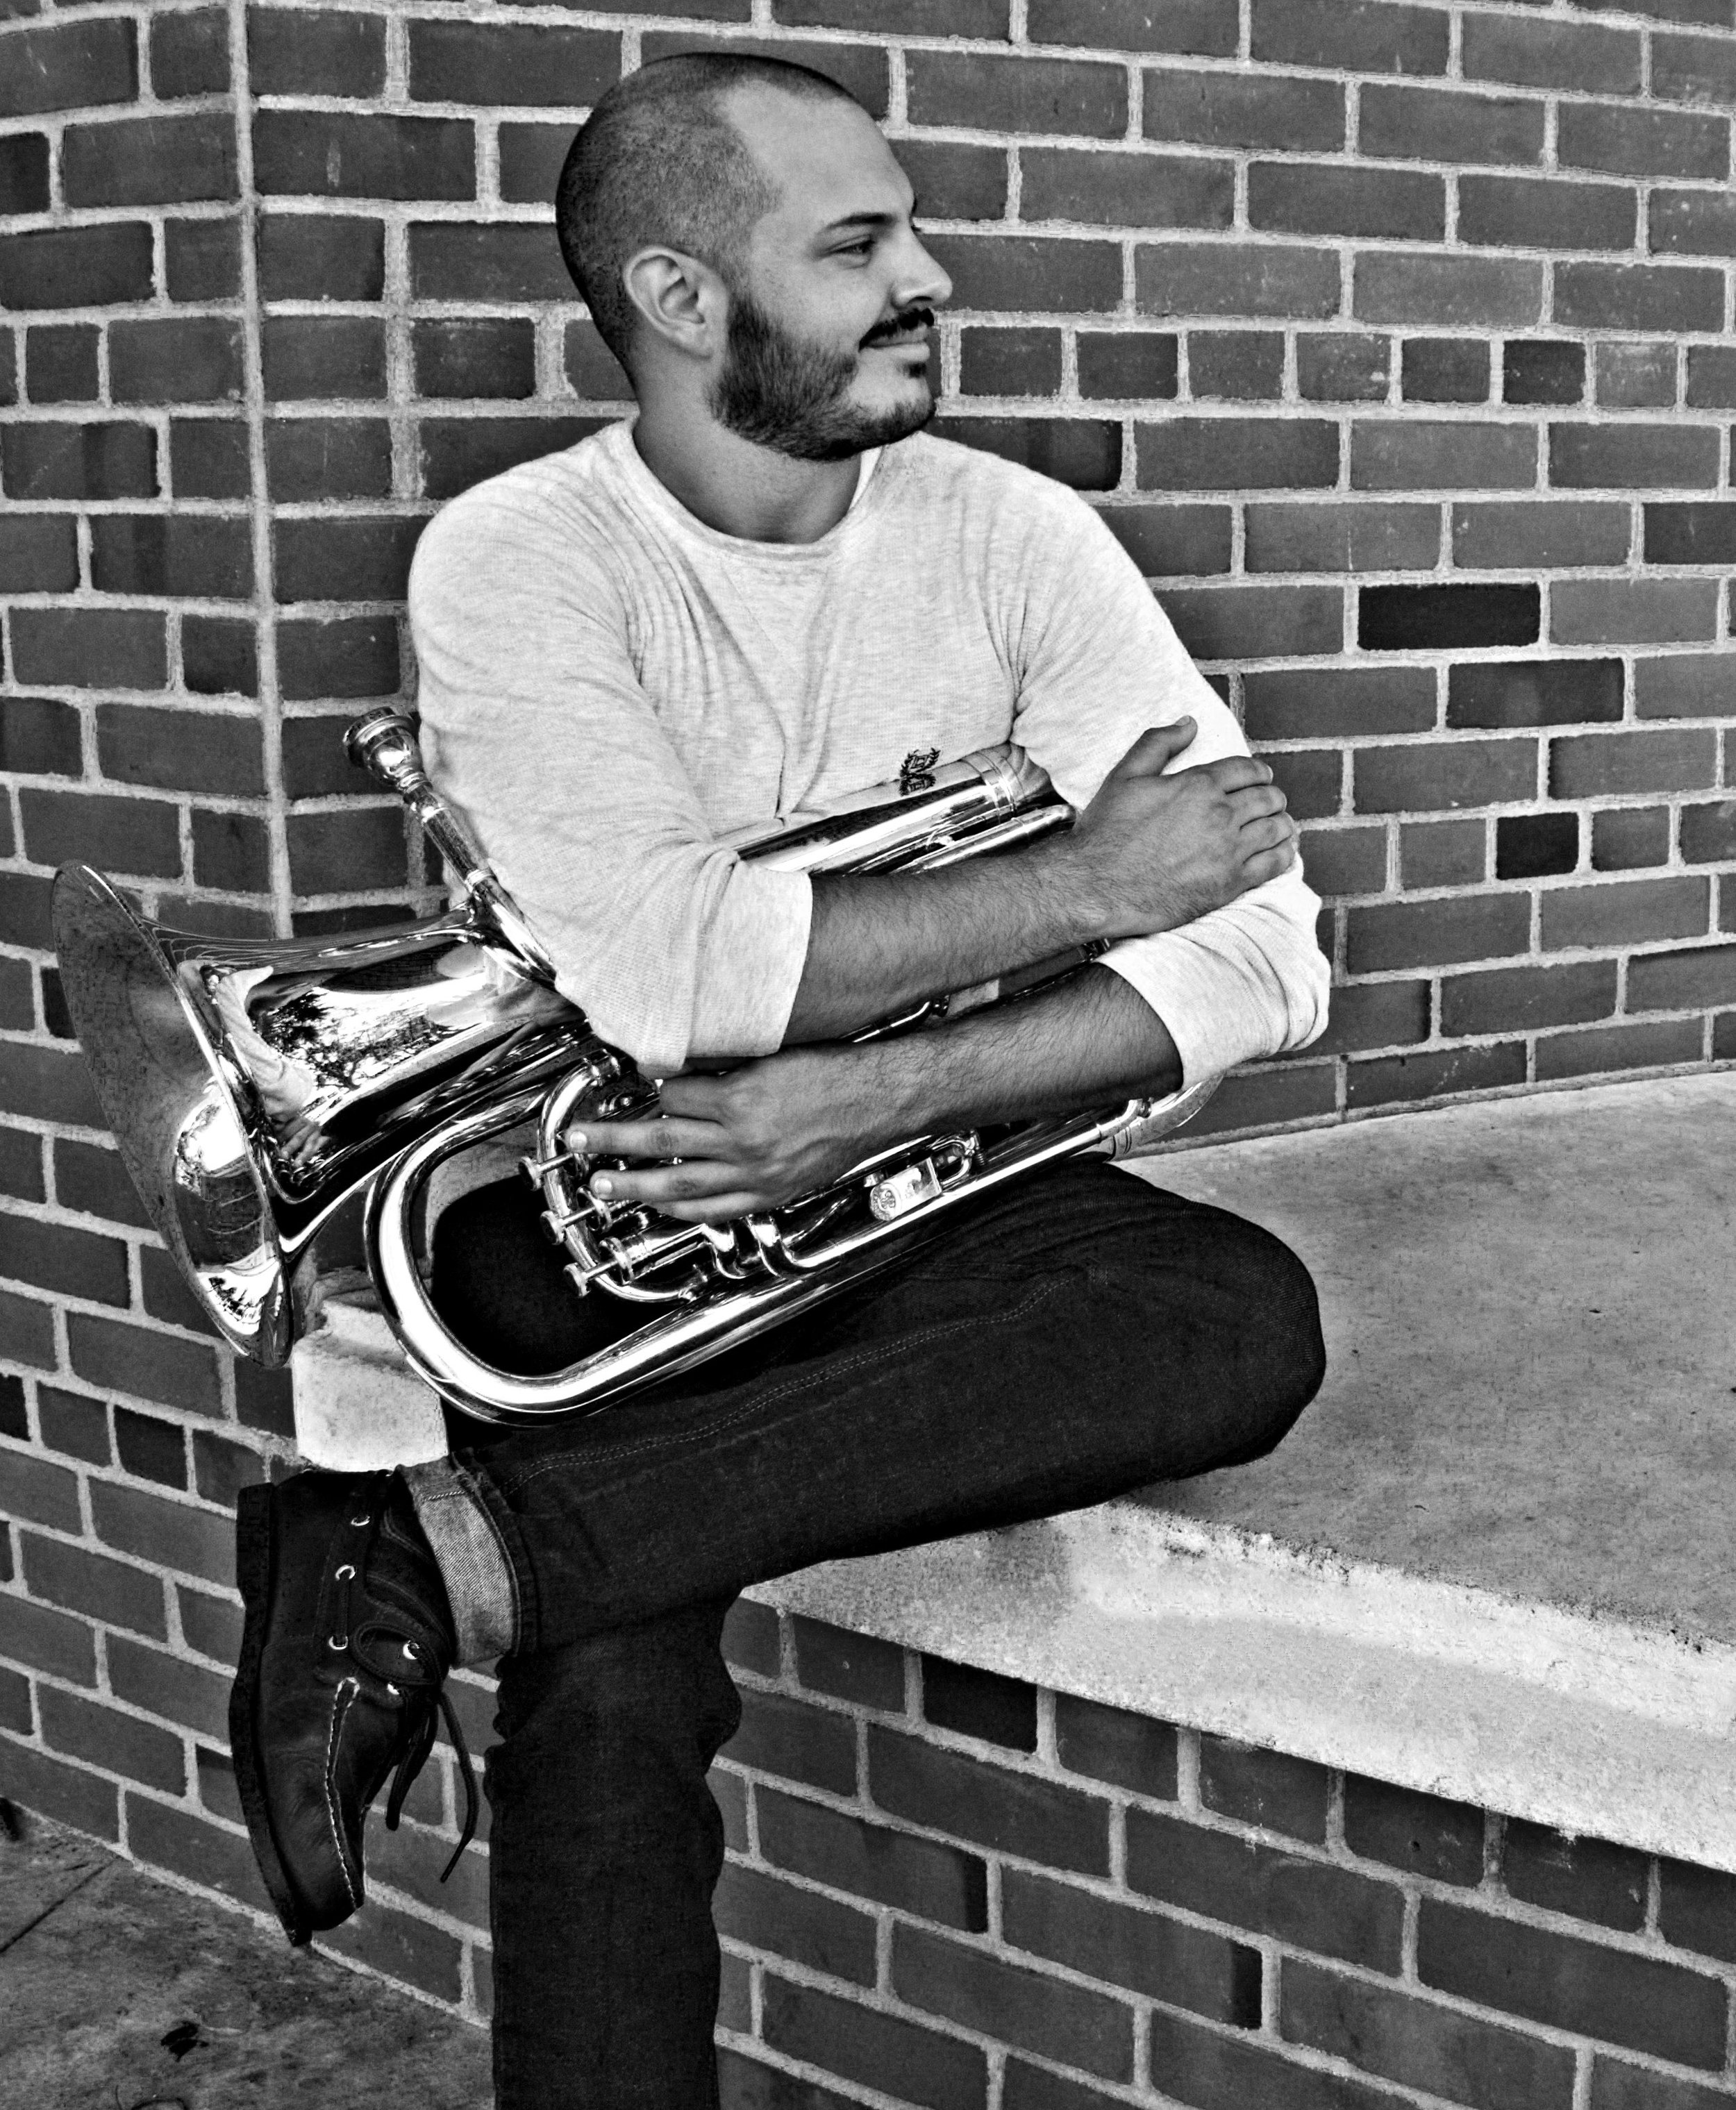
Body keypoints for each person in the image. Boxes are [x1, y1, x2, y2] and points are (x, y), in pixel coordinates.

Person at [227, 52, 1330, 2109]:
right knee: (613, 1693)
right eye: (858, 246)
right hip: (625, 1189)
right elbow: (669, 974)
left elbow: (1265, 954)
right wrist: (1086, 887)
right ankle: (527, 1571)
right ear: (678, 295)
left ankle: (438, 1552)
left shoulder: (1019, 539)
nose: (930, 281)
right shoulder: (519, 557)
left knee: (1231, 1319)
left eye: (911, 233)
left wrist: (878, 1096)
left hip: (912, 1166)